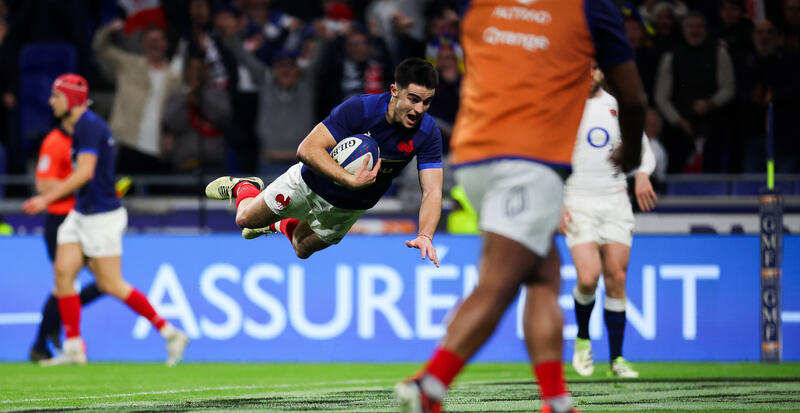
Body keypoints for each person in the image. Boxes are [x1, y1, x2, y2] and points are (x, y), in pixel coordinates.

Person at [395, 1, 647, 413]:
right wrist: (632, 152)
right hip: (531, 162)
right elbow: (634, 97)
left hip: (473, 156)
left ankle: (556, 399)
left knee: (543, 276)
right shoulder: (590, 8)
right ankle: (430, 384)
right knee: (499, 284)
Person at [205, 57, 442, 265]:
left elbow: (432, 191)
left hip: (348, 208)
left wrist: (426, 235)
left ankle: (277, 224)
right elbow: (307, 149)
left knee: (301, 249)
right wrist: (349, 180)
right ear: (394, 90)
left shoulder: (427, 132)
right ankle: (245, 187)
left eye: (427, 102)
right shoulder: (360, 109)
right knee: (244, 220)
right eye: (413, 99)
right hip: (308, 184)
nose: (419, 109)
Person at [21, 74, 189, 366]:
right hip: (81, 212)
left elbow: (85, 172)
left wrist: (45, 199)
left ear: (70, 100)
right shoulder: (78, 128)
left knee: (111, 284)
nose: (51, 102)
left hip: (101, 215)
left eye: (56, 96)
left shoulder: (88, 126)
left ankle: (170, 332)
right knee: (63, 273)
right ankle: (74, 348)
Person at [558, 63, 658, 379]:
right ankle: (583, 339)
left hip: (615, 200)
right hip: (578, 200)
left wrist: (642, 174)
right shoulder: (563, 108)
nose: (588, 74)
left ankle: (617, 360)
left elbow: (644, 151)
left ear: (602, 72)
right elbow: (549, 159)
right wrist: (557, 201)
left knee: (616, 276)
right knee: (589, 277)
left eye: (594, 69)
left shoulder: (618, 107)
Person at [28, 121, 104, 362]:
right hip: (60, 219)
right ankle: (40, 346)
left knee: (105, 282)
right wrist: (80, 183)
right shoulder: (54, 141)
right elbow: (43, 184)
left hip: (86, 219)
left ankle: (54, 325)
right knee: (64, 283)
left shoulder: (88, 140)